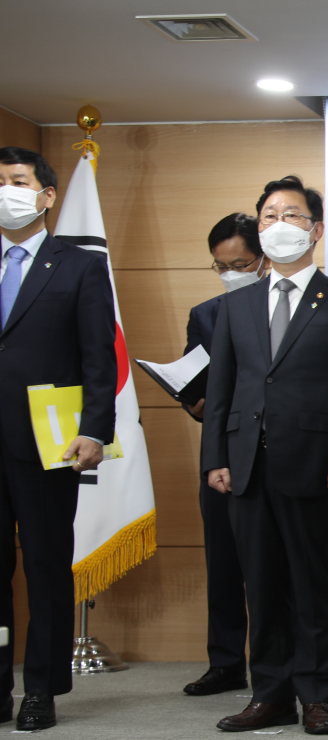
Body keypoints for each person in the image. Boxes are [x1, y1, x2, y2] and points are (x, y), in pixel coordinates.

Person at [202, 176, 328, 735]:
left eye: (292, 215)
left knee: (312, 587)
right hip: (247, 464)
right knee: (263, 584)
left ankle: (317, 696)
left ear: (316, 230)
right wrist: (215, 458)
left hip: (317, 466)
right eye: (270, 215)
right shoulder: (237, 305)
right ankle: (269, 694)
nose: (279, 225)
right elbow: (222, 388)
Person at [0, 147, 116, 730]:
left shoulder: (79, 264)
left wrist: (95, 428)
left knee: (45, 565)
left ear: (46, 196)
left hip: (47, 443)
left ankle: (40, 688)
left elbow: (99, 355)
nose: (6, 190)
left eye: (17, 181)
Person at [180, 213, 270, 696]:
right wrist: (193, 403)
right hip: (221, 453)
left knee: (276, 565)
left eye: (241, 263)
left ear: (263, 259)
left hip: (275, 449)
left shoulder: (291, 308)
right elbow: (199, 392)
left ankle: (280, 665)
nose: (231, 272)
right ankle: (226, 662)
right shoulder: (206, 314)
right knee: (223, 563)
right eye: (221, 266)